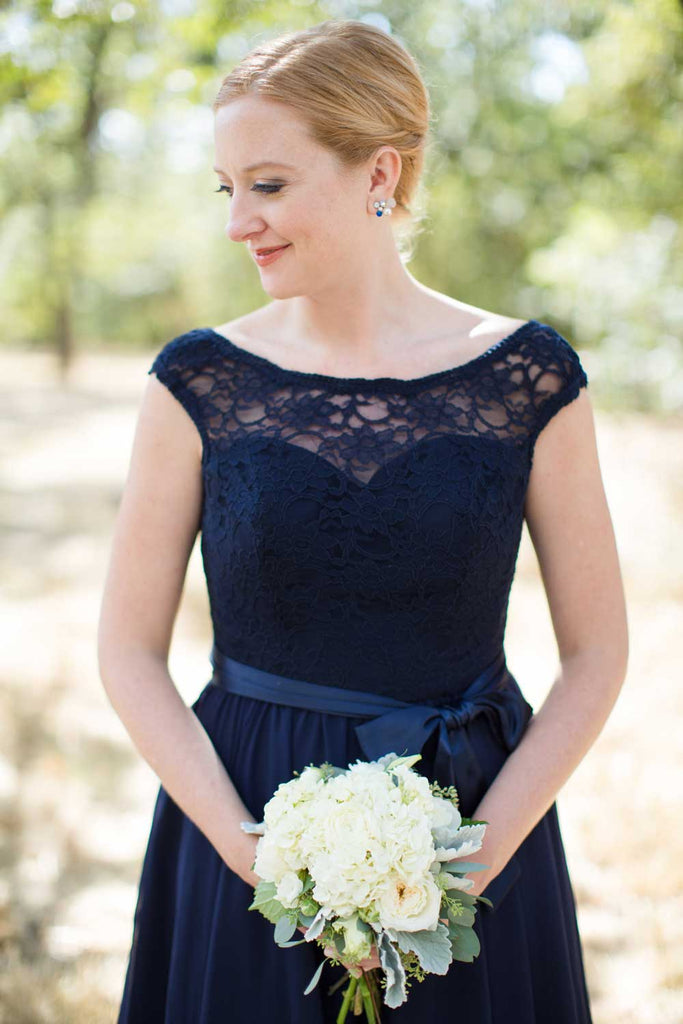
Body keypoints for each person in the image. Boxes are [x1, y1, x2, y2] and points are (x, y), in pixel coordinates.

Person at [98, 18, 628, 1024]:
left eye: (268, 183)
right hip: (242, 824)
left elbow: (597, 653)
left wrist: (465, 864)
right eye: (226, 188)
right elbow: (126, 651)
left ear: (378, 171)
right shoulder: (195, 382)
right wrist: (253, 855)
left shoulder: (529, 380)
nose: (235, 221)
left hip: (472, 829)